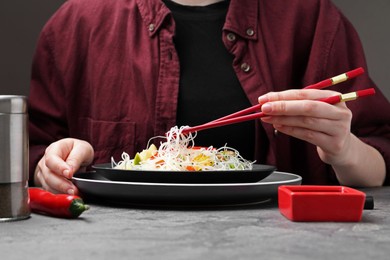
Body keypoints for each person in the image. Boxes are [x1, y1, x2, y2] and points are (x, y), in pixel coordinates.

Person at [28, 0, 390, 195]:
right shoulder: (78, 21)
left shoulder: (310, 17)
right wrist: (49, 167)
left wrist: (345, 150)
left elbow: (380, 158)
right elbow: (32, 156)